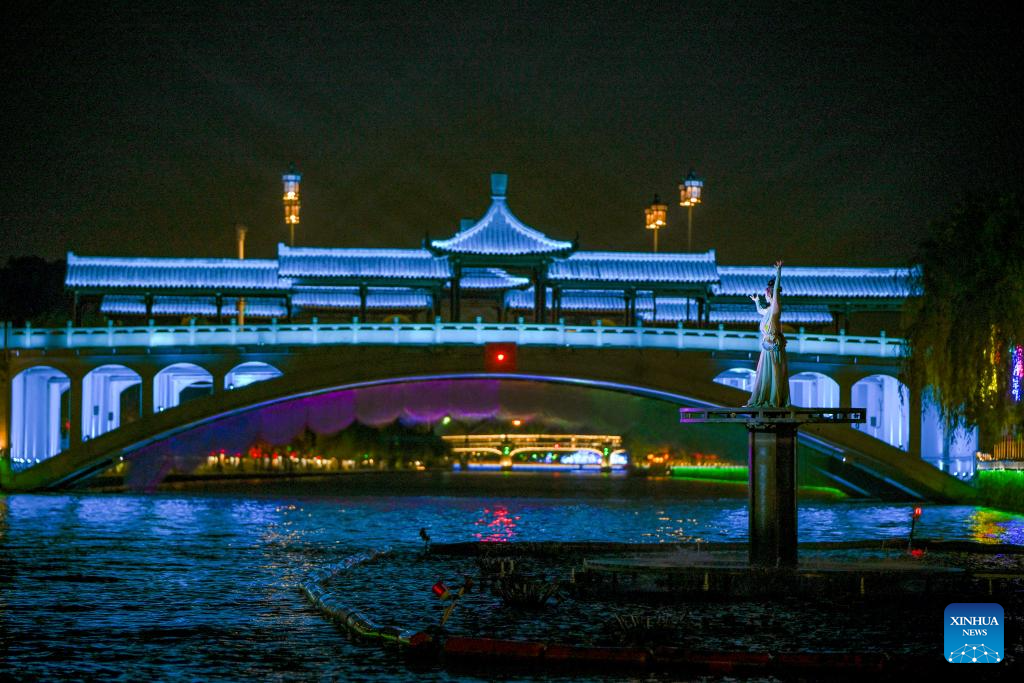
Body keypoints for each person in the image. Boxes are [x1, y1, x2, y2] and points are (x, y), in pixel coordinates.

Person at [745, 260, 790, 407]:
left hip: (773, 346)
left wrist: (778, 272)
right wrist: (757, 301)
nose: (765, 296)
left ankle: (773, 399)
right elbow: (760, 310)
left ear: (770, 294)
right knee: (764, 374)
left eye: (765, 294)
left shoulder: (775, 308)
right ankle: (764, 397)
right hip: (766, 346)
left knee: (773, 372)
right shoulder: (768, 310)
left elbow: (776, 290)